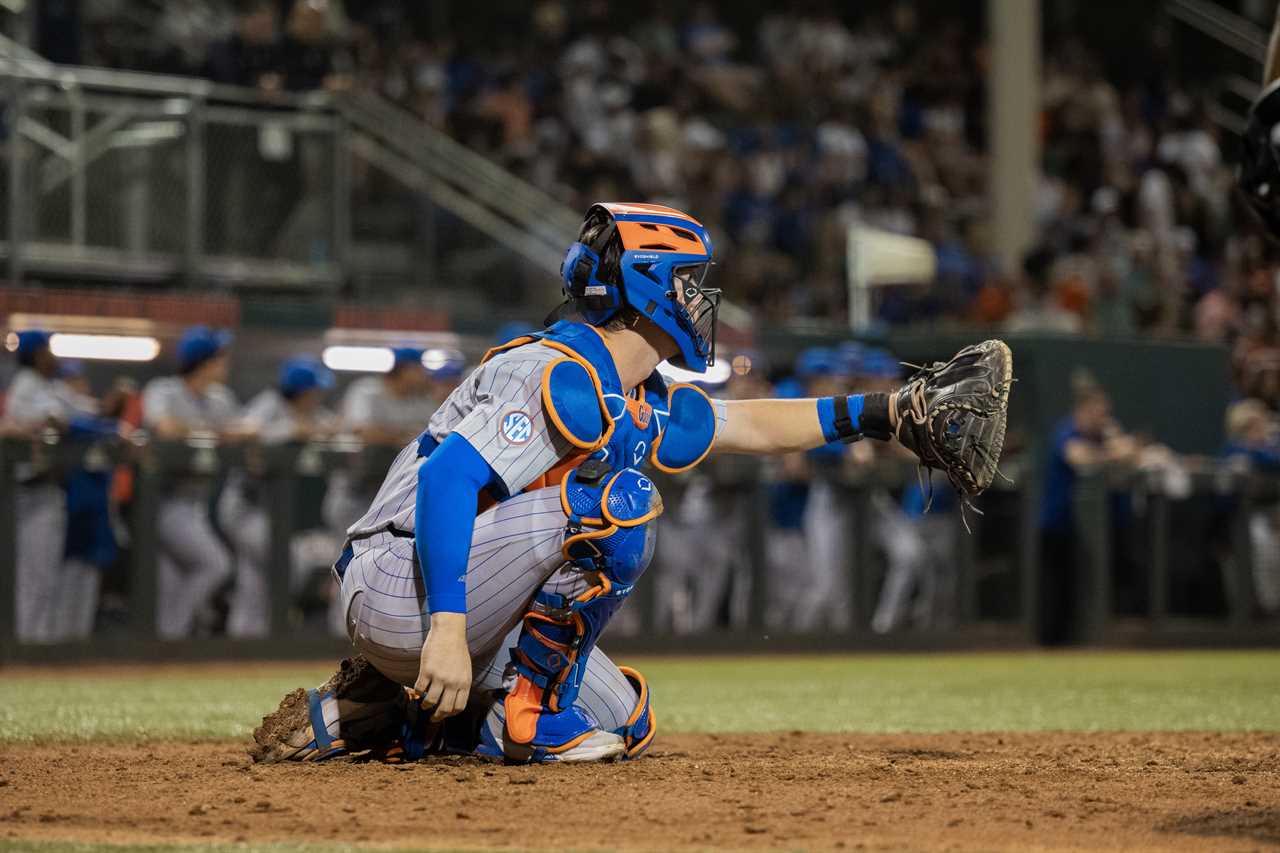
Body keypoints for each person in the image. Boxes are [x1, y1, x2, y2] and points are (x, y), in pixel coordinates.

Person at [250, 202, 1013, 766]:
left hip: (460, 600)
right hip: (405, 583)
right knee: (619, 504)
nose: (697, 299)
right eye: (688, 282)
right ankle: (521, 712)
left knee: (627, 722)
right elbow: (447, 480)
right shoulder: (555, 370)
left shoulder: (625, 395)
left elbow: (750, 425)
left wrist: (888, 412)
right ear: (650, 287)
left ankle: (390, 716)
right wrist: (447, 628)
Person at [218, 356, 338, 638]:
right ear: (301, 391)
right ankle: (280, 624)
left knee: (253, 580)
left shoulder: (312, 413)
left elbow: (336, 426)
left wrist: (312, 428)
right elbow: (242, 432)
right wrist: (287, 430)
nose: (317, 396)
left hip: (267, 510)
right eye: (313, 391)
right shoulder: (269, 404)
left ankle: (245, 641)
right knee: (289, 560)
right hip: (243, 506)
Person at [141, 326, 244, 639]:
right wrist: (213, 433)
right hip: (162, 501)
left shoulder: (221, 399)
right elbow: (165, 428)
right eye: (219, 358)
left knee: (175, 582)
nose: (225, 364)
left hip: (195, 500)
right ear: (204, 362)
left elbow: (243, 431)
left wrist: (209, 432)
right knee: (216, 564)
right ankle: (174, 636)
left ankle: (167, 645)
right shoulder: (164, 390)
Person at [2, 331, 101, 642]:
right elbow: (61, 421)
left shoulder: (49, 386)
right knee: (33, 578)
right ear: (35, 353)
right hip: (24, 491)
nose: (52, 354)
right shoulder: (27, 384)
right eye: (47, 348)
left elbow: (84, 415)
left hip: (45, 489)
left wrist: (109, 422)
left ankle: (36, 647)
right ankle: (26, 650)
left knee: (43, 578)